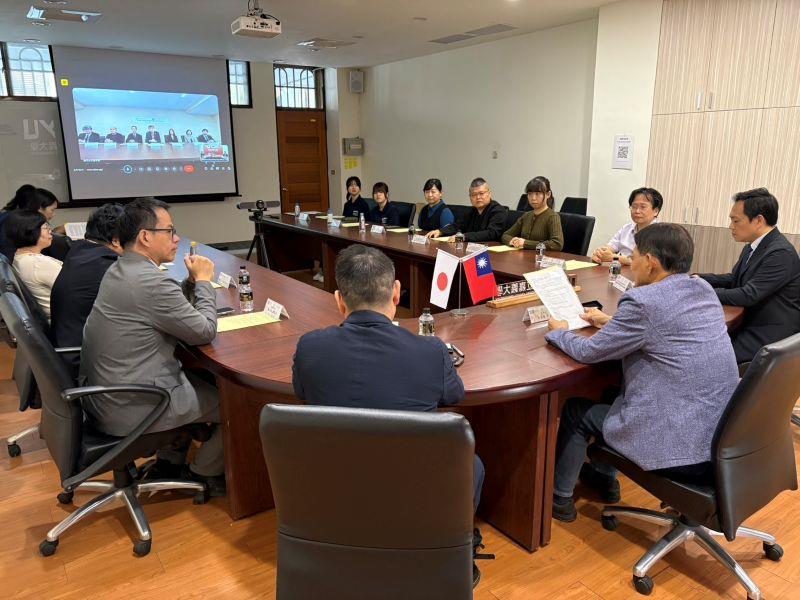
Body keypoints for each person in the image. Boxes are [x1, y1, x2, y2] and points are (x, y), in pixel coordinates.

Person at [292, 244, 485, 582]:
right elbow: (455, 395)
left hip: (330, 482)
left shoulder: (309, 347)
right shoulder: (431, 351)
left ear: (339, 300)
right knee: (473, 464)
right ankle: (450, 549)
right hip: (412, 487)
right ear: (396, 293)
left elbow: (301, 391)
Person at [545, 223, 738, 522]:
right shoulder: (702, 289)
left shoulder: (643, 301)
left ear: (650, 262)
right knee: (612, 392)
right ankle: (604, 479)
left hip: (678, 443)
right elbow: (665, 330)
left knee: (576, 411)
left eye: (633, 257)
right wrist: (611, 322)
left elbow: (589, 352)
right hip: (719, 434)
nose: (630, 264)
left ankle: (559, 500)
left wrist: (559, 331)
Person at [80, 197, 225, 493]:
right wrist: (204, 282)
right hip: (136, 404)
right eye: (169, 231)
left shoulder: (120, 269)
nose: (176, 238)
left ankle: (170, 460)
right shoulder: (151, 282)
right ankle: (203, 472)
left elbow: (164, 308)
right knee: (238, 402)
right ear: (146, 237)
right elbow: (204, 331)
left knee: (199, 375)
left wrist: (190, 282)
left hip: (106, 396)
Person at [698, 188, 800, 363]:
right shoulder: (754, 246)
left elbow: (749, 294)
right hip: (749, 320)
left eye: (736, 220)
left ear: (759, 220)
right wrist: (700, 278)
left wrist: (702, 291)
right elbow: (735, 279)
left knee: (708, 356)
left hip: (768, 332)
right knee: (702, 341)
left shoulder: (780, 253)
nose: (730, 226)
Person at [50, 204, 124, 376]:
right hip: (88, 365)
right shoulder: (107, 266)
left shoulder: (80, 251)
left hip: (68, 352)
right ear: (116, 240)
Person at [4, 210, 62, 320]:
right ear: (30, 231)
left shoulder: (19, 257)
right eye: (45, 227)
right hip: (68, 317)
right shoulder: (39, 264)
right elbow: (76, 289)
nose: (50, 231)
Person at [592, 187, 662, 265]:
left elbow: (649, 263)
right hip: (619, 270)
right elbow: (610, 247)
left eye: (643, 207)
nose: (637, 211)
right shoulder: (626, 228)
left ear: (655, 211)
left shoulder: (661, 233)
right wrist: (600, 253)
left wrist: (615, 258)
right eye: (634, 206)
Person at [0, 185, 70, 262]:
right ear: (39, 207)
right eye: (52, 210)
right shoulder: (23, 224)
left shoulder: (13, 216)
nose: (54, 214)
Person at [426, 178, 507, 242]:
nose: (478, 197)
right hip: (471, 249)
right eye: (474, 195)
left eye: (481, 193)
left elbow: (492, 233)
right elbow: (457, 226)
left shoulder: (498, 211)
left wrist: (464, 237)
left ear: (489, 193)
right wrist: (440, 231)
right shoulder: (471, 211)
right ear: (470, 197)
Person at [501, 176, 563, 250]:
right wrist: (513, 241)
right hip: (523, 255)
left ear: (548, 194)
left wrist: (525, 243)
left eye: (537, 194)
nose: (533, 198)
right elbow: (506, 235)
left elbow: (557, 244)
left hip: (542, 256)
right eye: (530, 194)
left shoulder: (552, 216)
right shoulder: (526, 215)